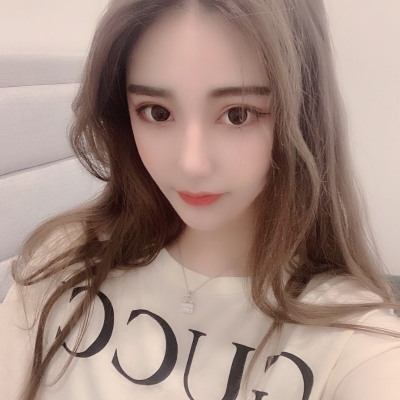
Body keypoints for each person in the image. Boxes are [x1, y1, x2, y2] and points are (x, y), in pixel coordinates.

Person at [1, 0, 400, 399]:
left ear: (303, 117)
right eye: (157, 112)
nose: (191, 164)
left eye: (238, 114)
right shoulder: (62, 259)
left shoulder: (351, 342)